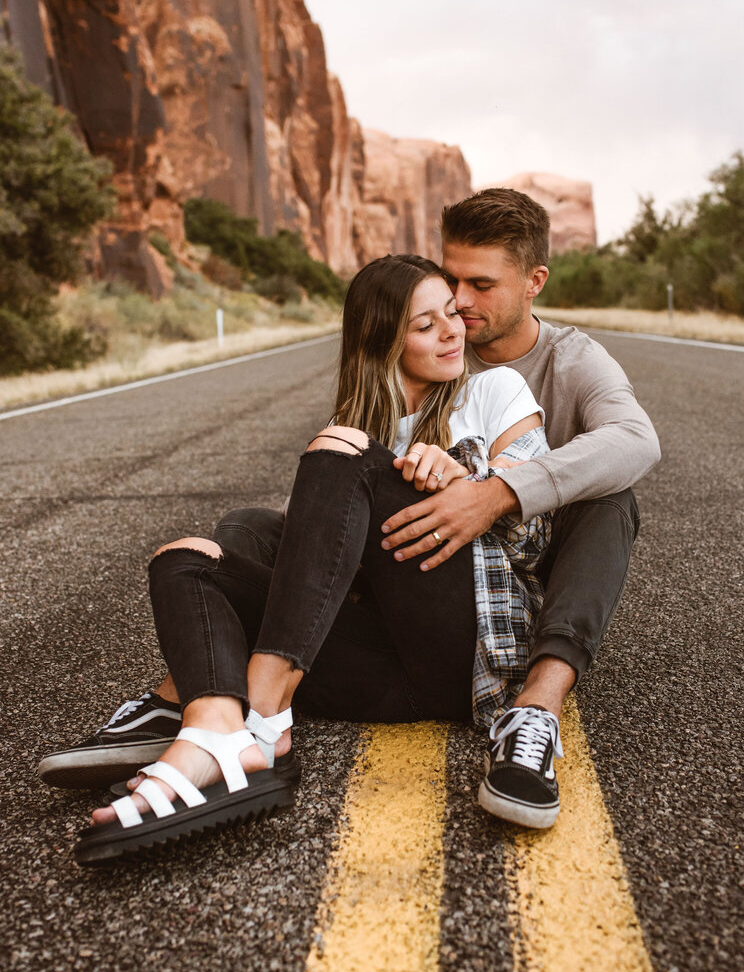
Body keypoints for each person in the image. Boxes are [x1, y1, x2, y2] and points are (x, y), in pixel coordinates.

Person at [59, 254, 551, 865]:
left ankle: (252, 715)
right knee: (186, 557)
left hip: (461, 654)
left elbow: (535, 537)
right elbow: (314, 581)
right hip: (377, 674)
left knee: (330, 457)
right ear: (383, 340)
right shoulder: (353, 429)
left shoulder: (492, 390)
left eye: (451, 313)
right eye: (425, 326)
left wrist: (468, 481)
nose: (453, 331)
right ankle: (213, 724)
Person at [379, 188, 661, 825]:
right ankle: (205, 698)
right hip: (433, 571)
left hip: (536, 563)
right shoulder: (430, 347)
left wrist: (500, 493)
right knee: (245, 532)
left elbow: (637, 440)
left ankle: (536, 708)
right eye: (450, 278)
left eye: (481, 283)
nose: (459, 301)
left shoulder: (573, 360)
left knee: (612, 496)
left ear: (534, 282)